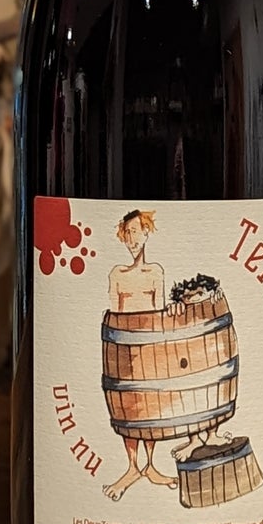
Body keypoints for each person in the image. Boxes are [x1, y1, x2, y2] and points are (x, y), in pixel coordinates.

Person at [103, 209, 179, 500]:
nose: (132, 239)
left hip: (149, 344)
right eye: (127, 233)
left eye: (136, 232)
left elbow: (158, 313)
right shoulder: (117, 274)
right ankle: (133, 466)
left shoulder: (155, 273)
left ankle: (149, 465)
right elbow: (115, 314)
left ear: (147, 233)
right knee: (127, 403)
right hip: (123, 344)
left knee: (149, 403)